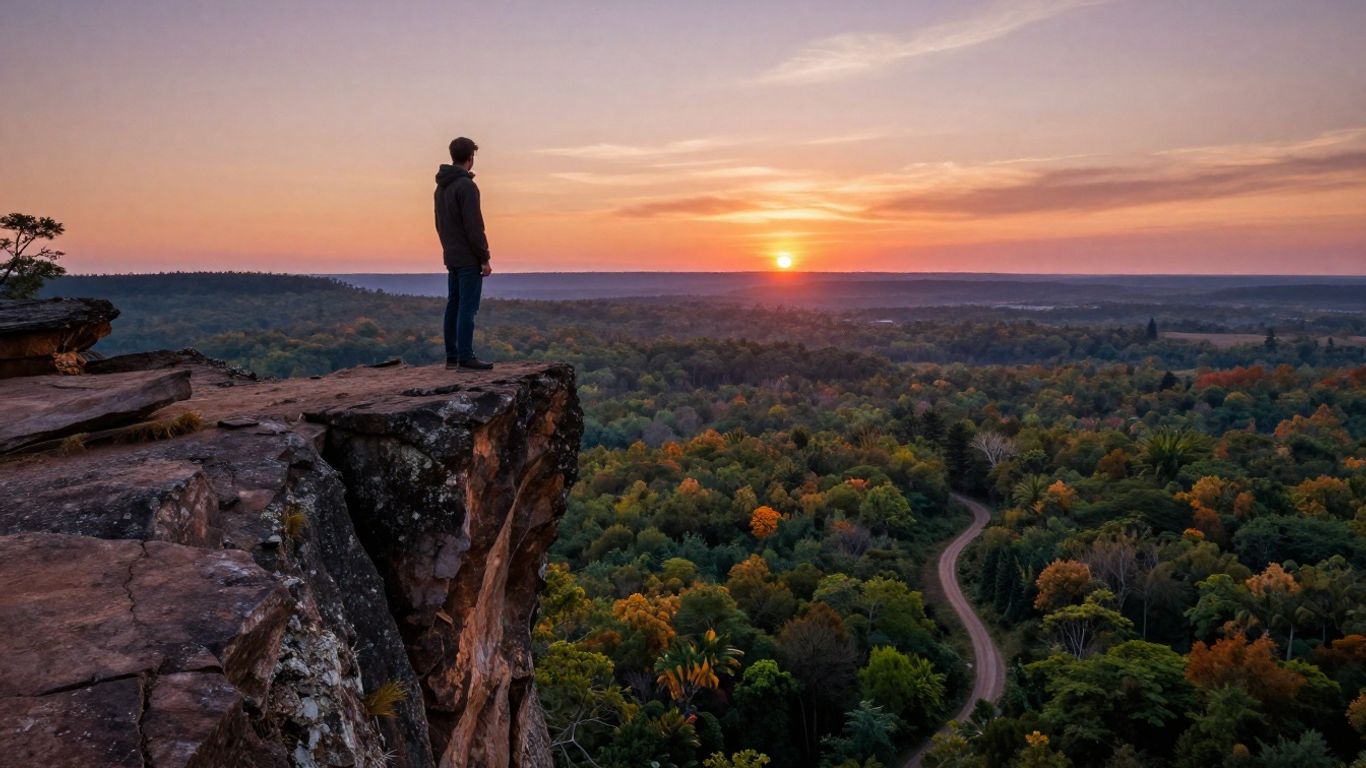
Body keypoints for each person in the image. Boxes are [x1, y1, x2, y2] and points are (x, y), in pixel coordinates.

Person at [435, 136, 494, 370]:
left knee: (454, 304)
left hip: (451, 254)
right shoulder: (466, 186)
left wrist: (448, 249)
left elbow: (439, 224)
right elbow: (474, 226)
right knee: (468, 307)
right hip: (468, 257)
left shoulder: (441, 187)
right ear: (470, 158)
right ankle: (466, 357)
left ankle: (452, 355)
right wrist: (484, 257)